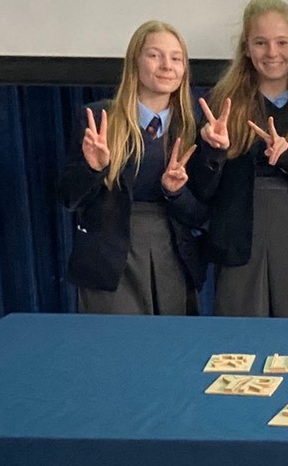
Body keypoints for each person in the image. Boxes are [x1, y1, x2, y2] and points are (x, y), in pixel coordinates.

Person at [189, 0, 288, 317]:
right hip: (238, 238)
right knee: (239, 337)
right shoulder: (221, 106)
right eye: (261, 43)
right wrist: (213, 152)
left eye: (282, 42)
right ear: (246, 48)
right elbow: (202, 190)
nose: (272, 52)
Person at [57, 20, 207, 314]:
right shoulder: (99, 118)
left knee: (171, 341)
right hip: (110, 261)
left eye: (176, 58)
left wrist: (175, 192)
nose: (166, 66)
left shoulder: (194, 127)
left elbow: (201, 214)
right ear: (135, 62)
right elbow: (68, 198)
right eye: (154, 55)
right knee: (117, 342)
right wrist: (93, 169)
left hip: (172, 257)